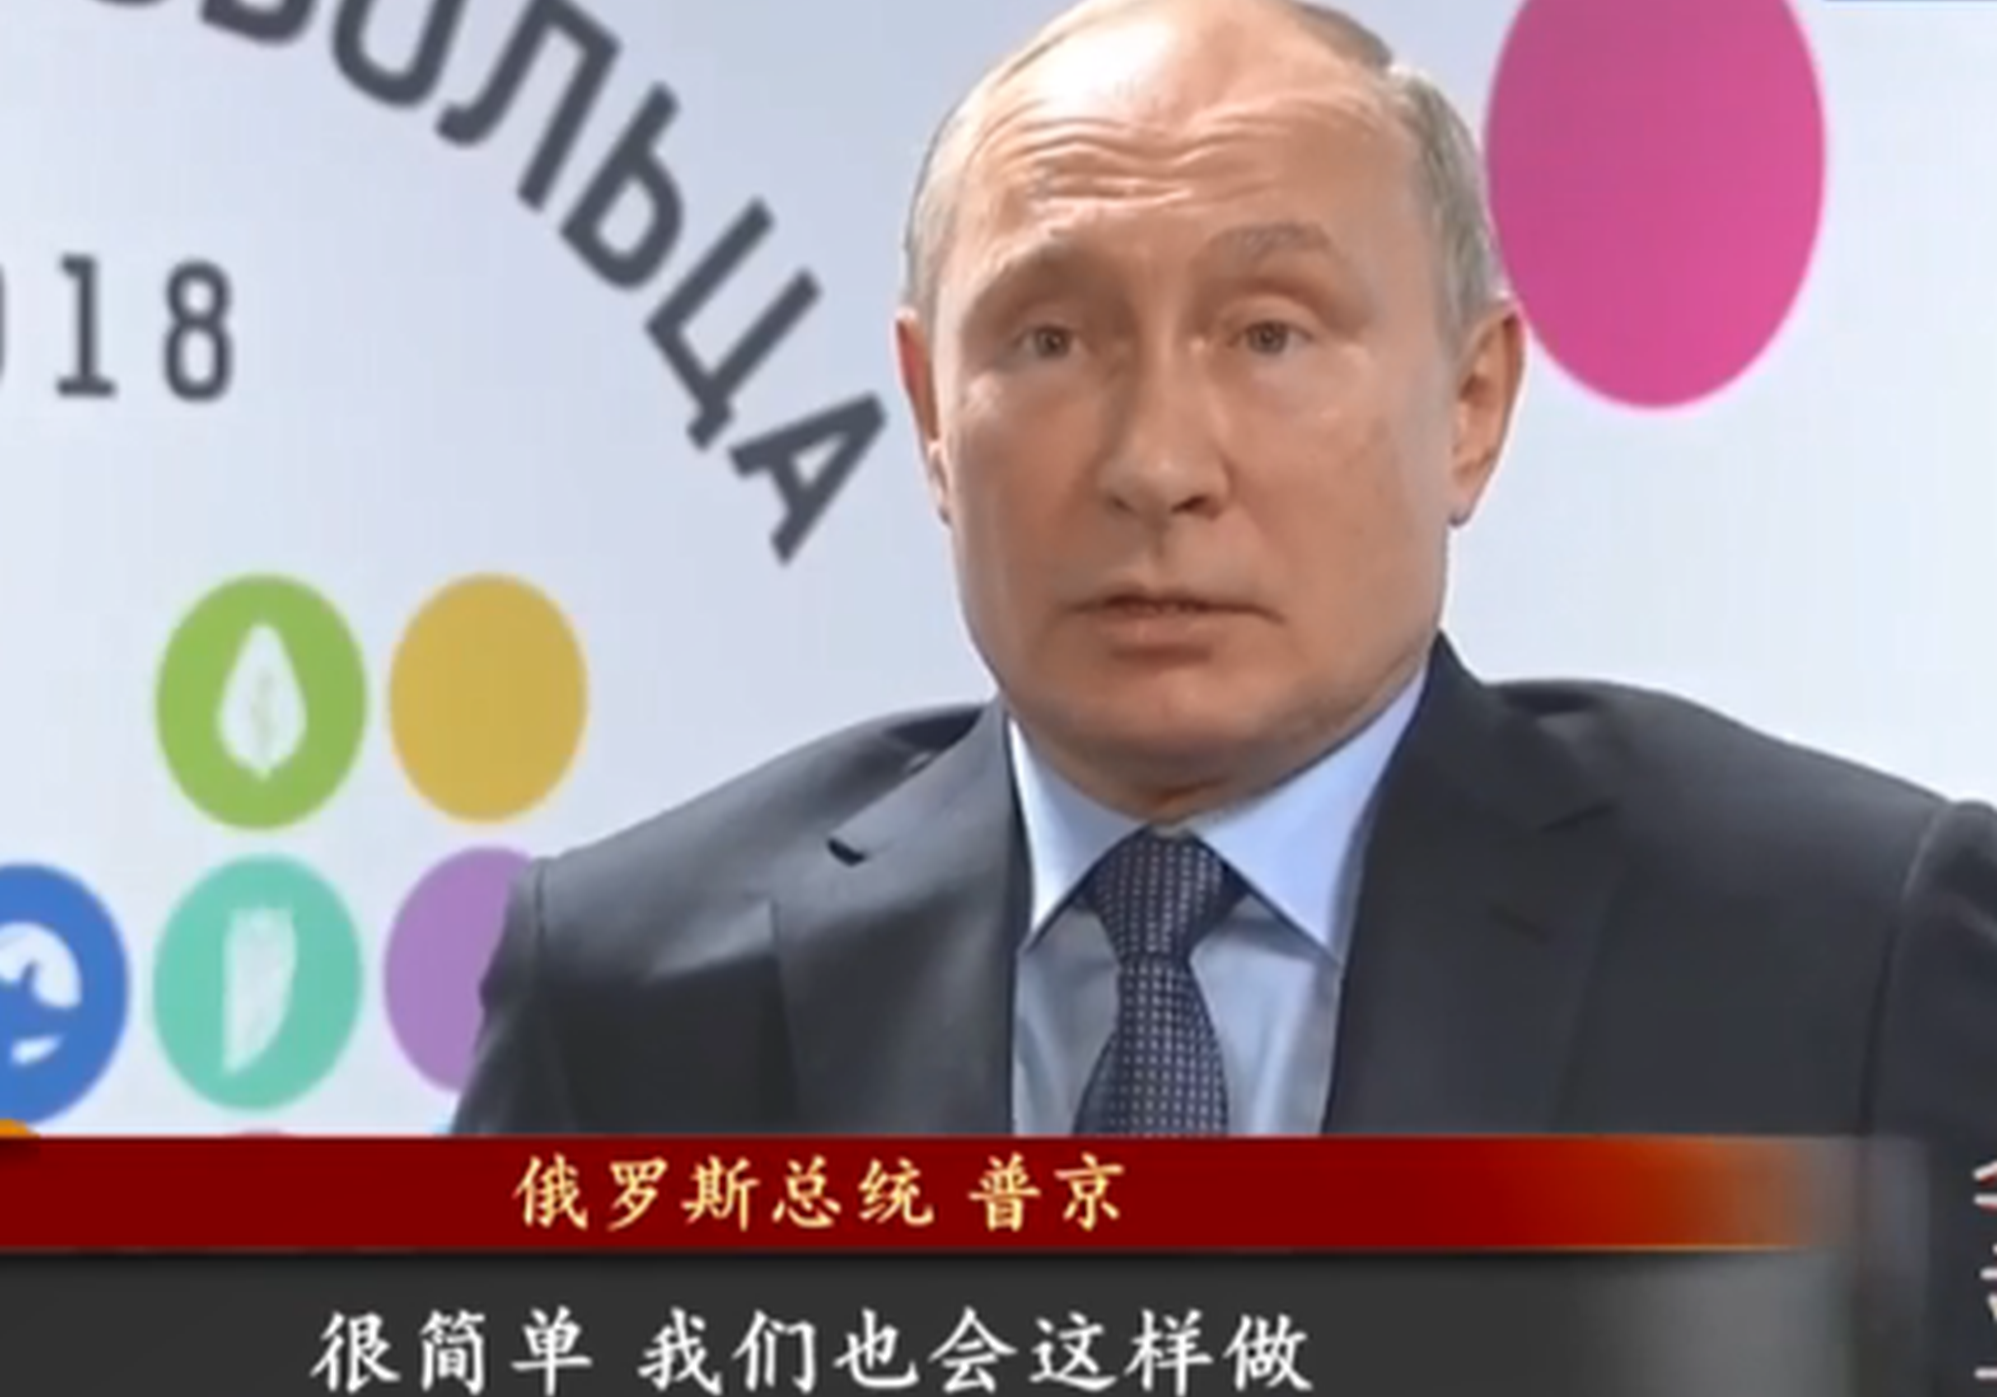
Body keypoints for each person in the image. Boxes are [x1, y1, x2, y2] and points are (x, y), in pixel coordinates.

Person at [457, 0, 1997, 1379]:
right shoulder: (629, 997)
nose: (1157, 464)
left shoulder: (1843, 952)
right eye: (1050, 339)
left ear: (1471, 405)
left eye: (1270, 334)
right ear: (930, 414)